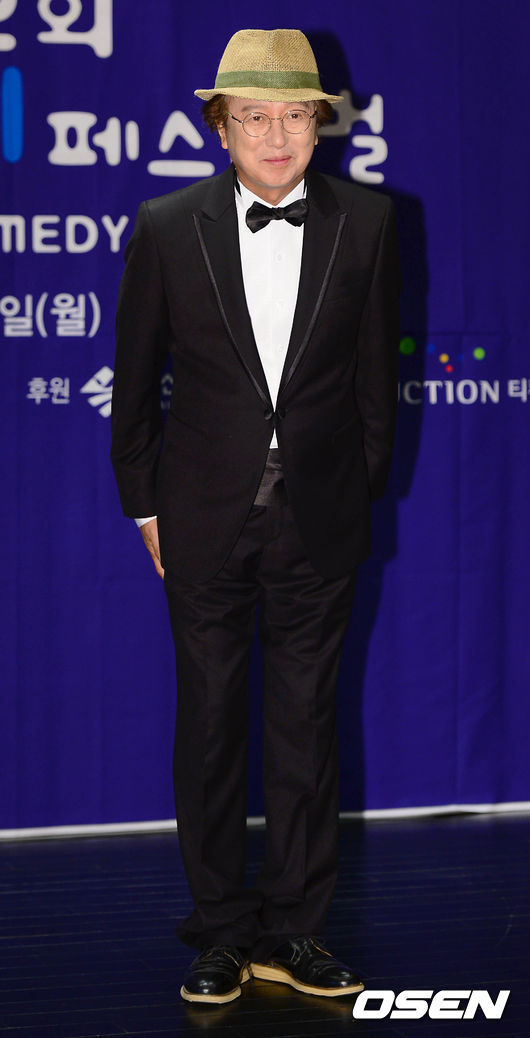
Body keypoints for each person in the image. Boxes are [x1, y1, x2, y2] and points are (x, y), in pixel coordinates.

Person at [111, 28, 400, 1005]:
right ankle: (220, 932)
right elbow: (133, 387)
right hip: (199, 518)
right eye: (253, 117)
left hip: (318, 518)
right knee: (208, 730)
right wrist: (145, 509)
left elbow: (374, 381)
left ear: (319, 125)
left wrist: (354, 487)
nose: (275, 137)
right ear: (220, 128)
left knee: (306, 728)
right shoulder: (166, 225)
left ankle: (295, 931)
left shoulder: (369, 223)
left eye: (294, 116)